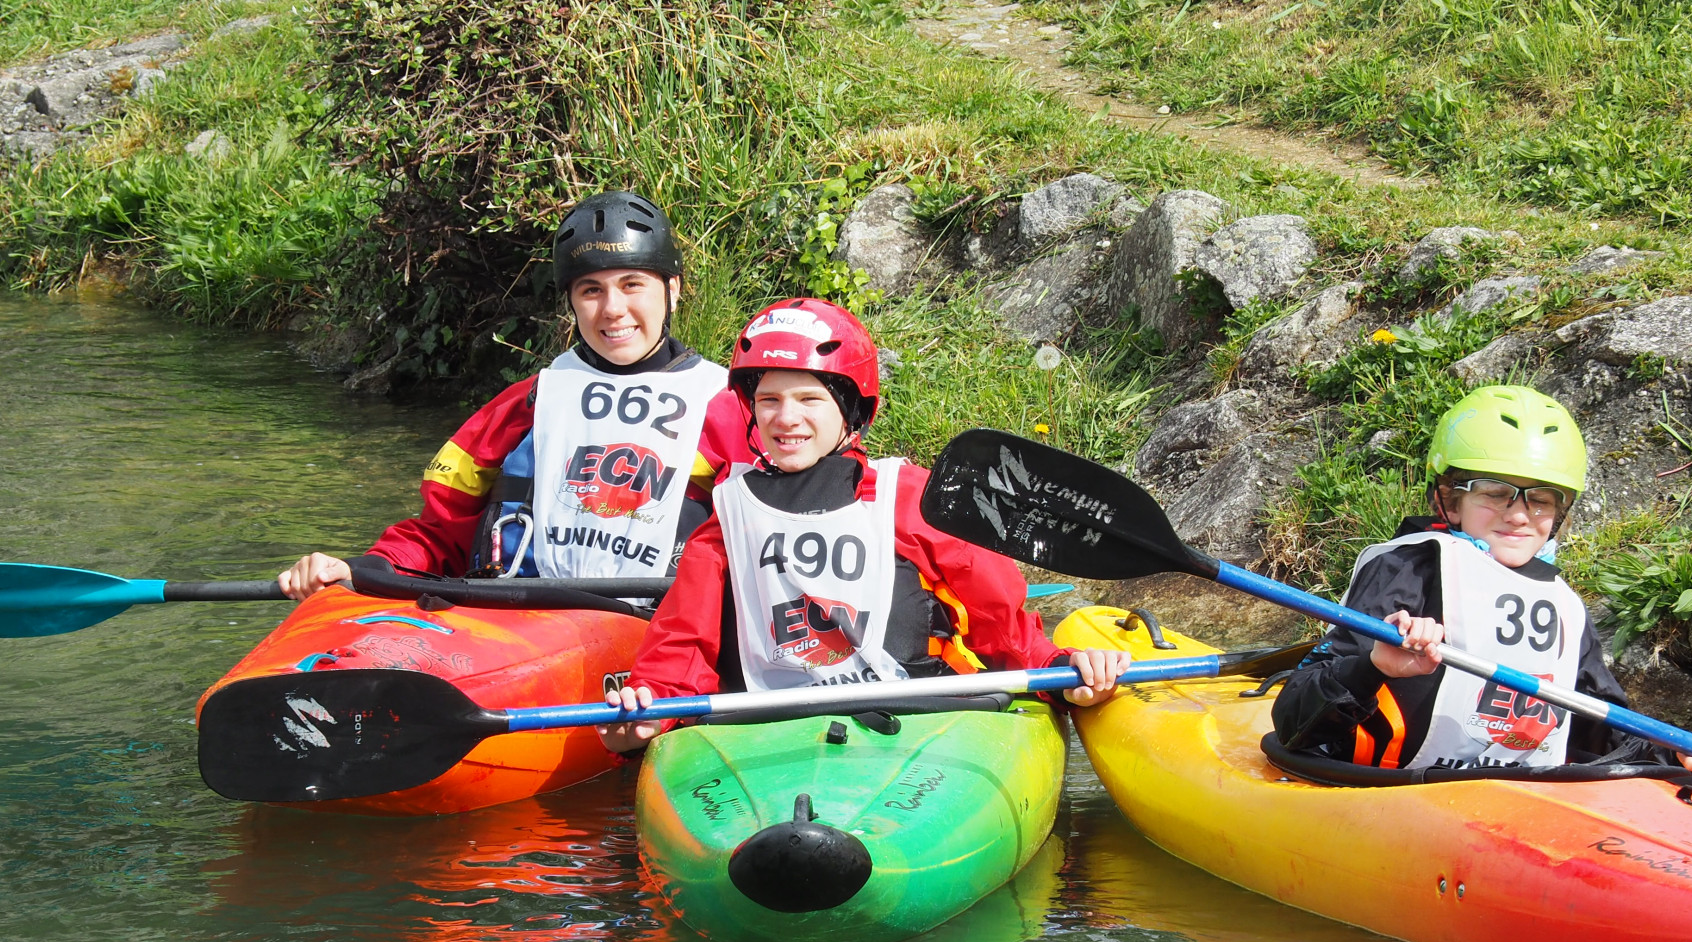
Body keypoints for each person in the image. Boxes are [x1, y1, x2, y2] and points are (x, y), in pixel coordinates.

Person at [598, 297, 1130, 751]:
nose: (785, 419)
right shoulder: (728, 517)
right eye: (769, 400)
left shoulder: (911, 498)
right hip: (773, 728)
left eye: (809, 399)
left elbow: (997, 619)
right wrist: (648, 711)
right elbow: (681, 643)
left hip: (919, 715)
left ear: (851, 410)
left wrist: (1060, 672)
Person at [278, 190, 749, 598]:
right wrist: (361, 570)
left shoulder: (727, 406)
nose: (612, 310)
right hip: (517, 615)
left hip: (654, 639)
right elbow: (440, 535)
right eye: (591, 290)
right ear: (570, 300)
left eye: (633, 285)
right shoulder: (525, 402)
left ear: (673, 289)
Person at [1271, 385, 1692, 777]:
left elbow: (1600, 734)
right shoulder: (1410, 570)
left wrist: (1681, 748)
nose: (1520, 515)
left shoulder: (1563, 605)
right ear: (1449, 500)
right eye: (1496, 493)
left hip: (1509, 805)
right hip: (1376, 787)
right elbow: (1292, 722)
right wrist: (1374, 666)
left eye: (1540, 499)